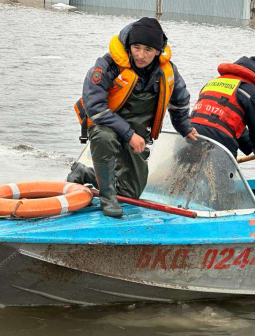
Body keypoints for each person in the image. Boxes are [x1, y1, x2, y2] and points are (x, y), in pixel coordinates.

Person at [77, 18, 196, 217]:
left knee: (131, 192)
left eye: (148, 50)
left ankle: (84, 173)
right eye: (136, 47)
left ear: (158, 51)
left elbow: (180, 102)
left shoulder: (168, 71)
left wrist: (185, 127)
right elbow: (94, 107)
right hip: (106, 126)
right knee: (104, 137)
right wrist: (128, 134)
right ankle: (107, 199)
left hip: (138, 135)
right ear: (129, 46)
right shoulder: (107, 66)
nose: (141, 55)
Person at [190, 56, 255, 159]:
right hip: (219, 142)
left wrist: (250, 147)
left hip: (188, 133)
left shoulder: (213, 82)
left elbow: (228, 121)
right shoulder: (251, 92)